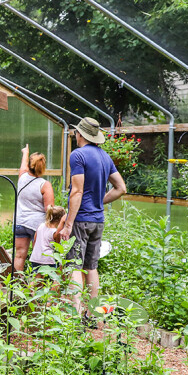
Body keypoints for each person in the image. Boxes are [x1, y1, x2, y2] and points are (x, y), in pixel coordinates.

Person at [56, 118, 127, 320]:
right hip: (98, 221)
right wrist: (99, 201)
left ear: (80, 135)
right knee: (91, 266)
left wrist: (68, 224)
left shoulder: (78, 155)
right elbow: (121, 188)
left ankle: (77, 314)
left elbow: (76, 191)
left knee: (74, 265)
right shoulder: (105, 157)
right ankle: (92, 314)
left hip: (81, 220)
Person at [13, 145, 55, 273]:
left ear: (30, 165)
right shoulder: (44, 185)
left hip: (20, 222)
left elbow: (23, 165)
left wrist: (25, 152)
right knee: (37, 258)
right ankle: (35, 287)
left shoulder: (22, 177)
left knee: (19, 255)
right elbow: (49, 210)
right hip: (36, 225)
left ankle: (16, 286)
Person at [29, 205, 67, 272]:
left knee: (36, 278)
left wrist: (35, 253)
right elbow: (57, 244)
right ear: (60, 219)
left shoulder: (41, 226)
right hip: (47, 260)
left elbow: (34, 241)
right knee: (51, 279)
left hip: (35, 258)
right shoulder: (54, 232)